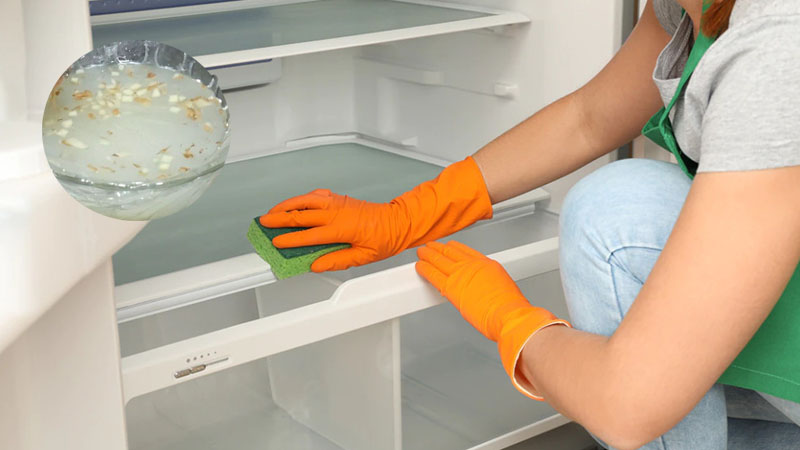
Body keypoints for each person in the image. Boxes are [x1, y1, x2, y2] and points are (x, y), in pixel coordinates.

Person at [261, 0, 800, 448]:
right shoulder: (689, 6)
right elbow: (589, 116)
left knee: (614, 212)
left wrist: (516, 325)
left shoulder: (777, 46)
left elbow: (623, 406)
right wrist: (413, 213)